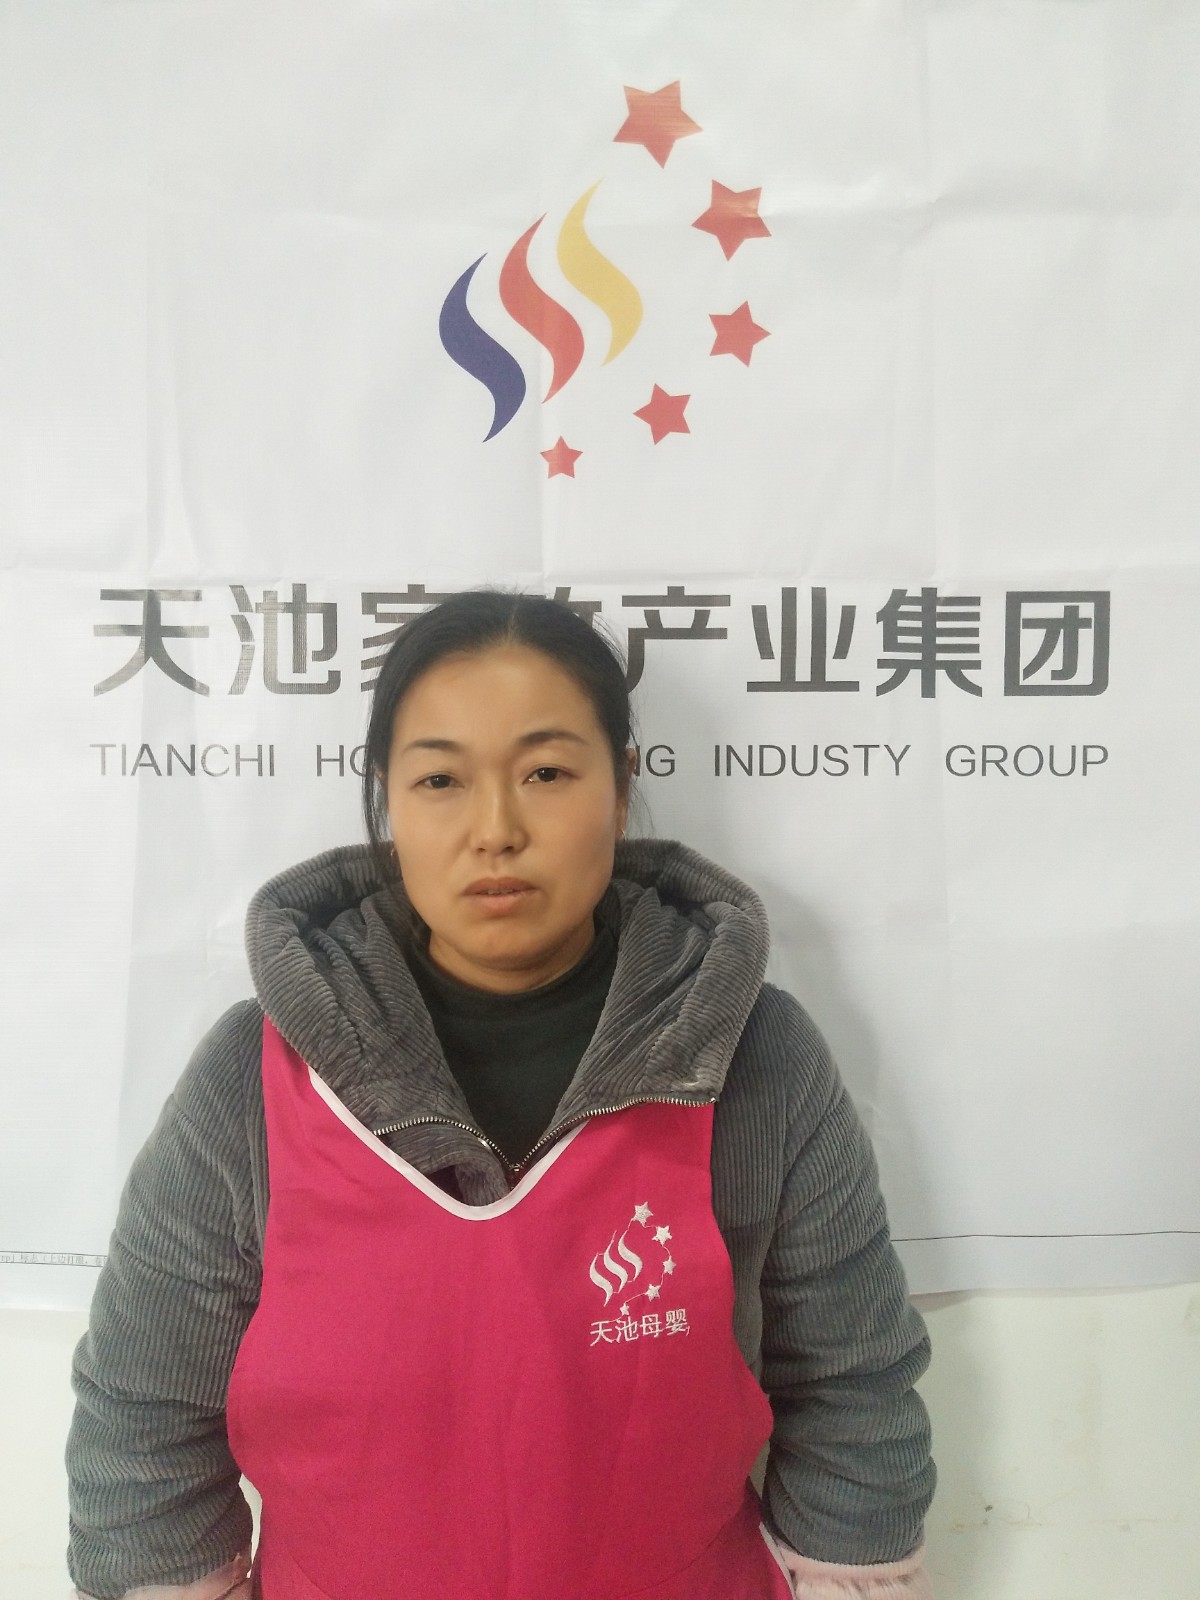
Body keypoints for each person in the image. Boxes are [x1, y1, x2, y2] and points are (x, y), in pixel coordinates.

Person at [67, 590, 936, 1600]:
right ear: (389, 801)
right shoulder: (254, 1080)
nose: (495, 829)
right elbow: (144, 1413)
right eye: (440, 779)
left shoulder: (756, 1058)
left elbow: (850, 1387)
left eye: (547, 773)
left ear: (621, 790)